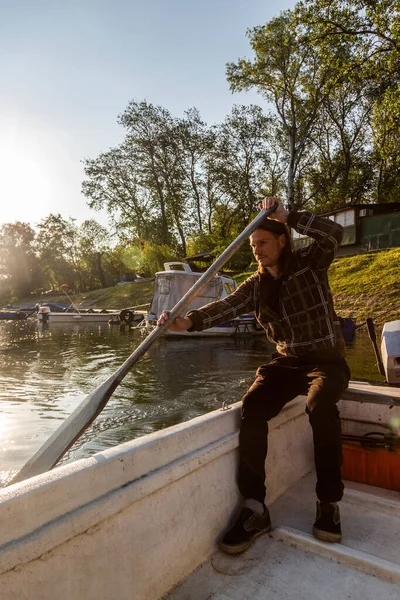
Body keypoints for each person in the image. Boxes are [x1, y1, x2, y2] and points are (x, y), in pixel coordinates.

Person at [157, 197, 350, 554]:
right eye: (252, 245)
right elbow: (223, 308)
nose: (257, 250)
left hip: (326, 362)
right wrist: (188, 322)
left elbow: (334, 233)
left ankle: (328, 504)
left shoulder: (310, 264)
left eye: (262, 242)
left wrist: (287, 215)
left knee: (320, 407)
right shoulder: (255, 285)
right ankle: (255, 507)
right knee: (252, 407)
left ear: (282, 240)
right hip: (287, 363)